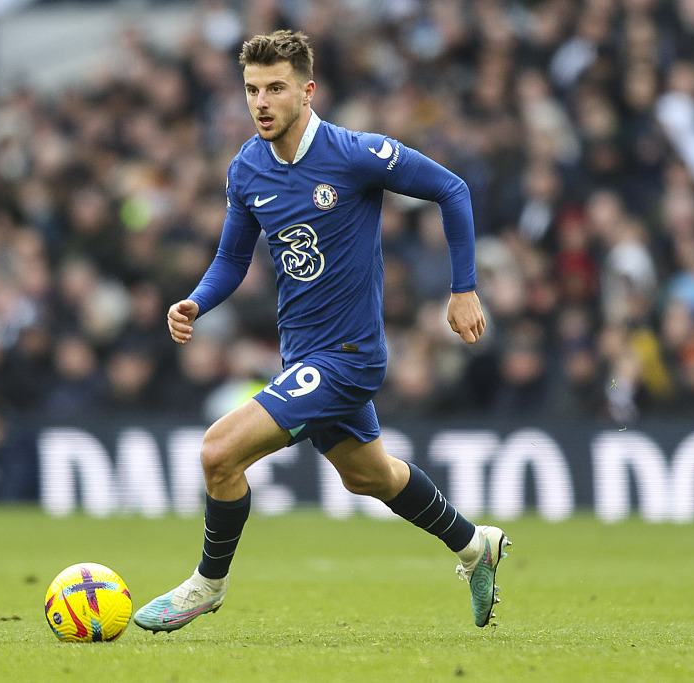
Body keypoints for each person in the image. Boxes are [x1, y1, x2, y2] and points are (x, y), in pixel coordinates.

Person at [133, 30, 510, 633]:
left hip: (349, 357)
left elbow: (452, 189)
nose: (261, 102)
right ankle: (475, 546)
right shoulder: (247, 168)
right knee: (372, 477)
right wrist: (196, 303)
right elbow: (233, 261)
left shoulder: (356, 154)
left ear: (307, 92)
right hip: (301, 356)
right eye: (252, 89)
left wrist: (462, 287)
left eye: (276, 88)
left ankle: (206, 585)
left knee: (217, 452)